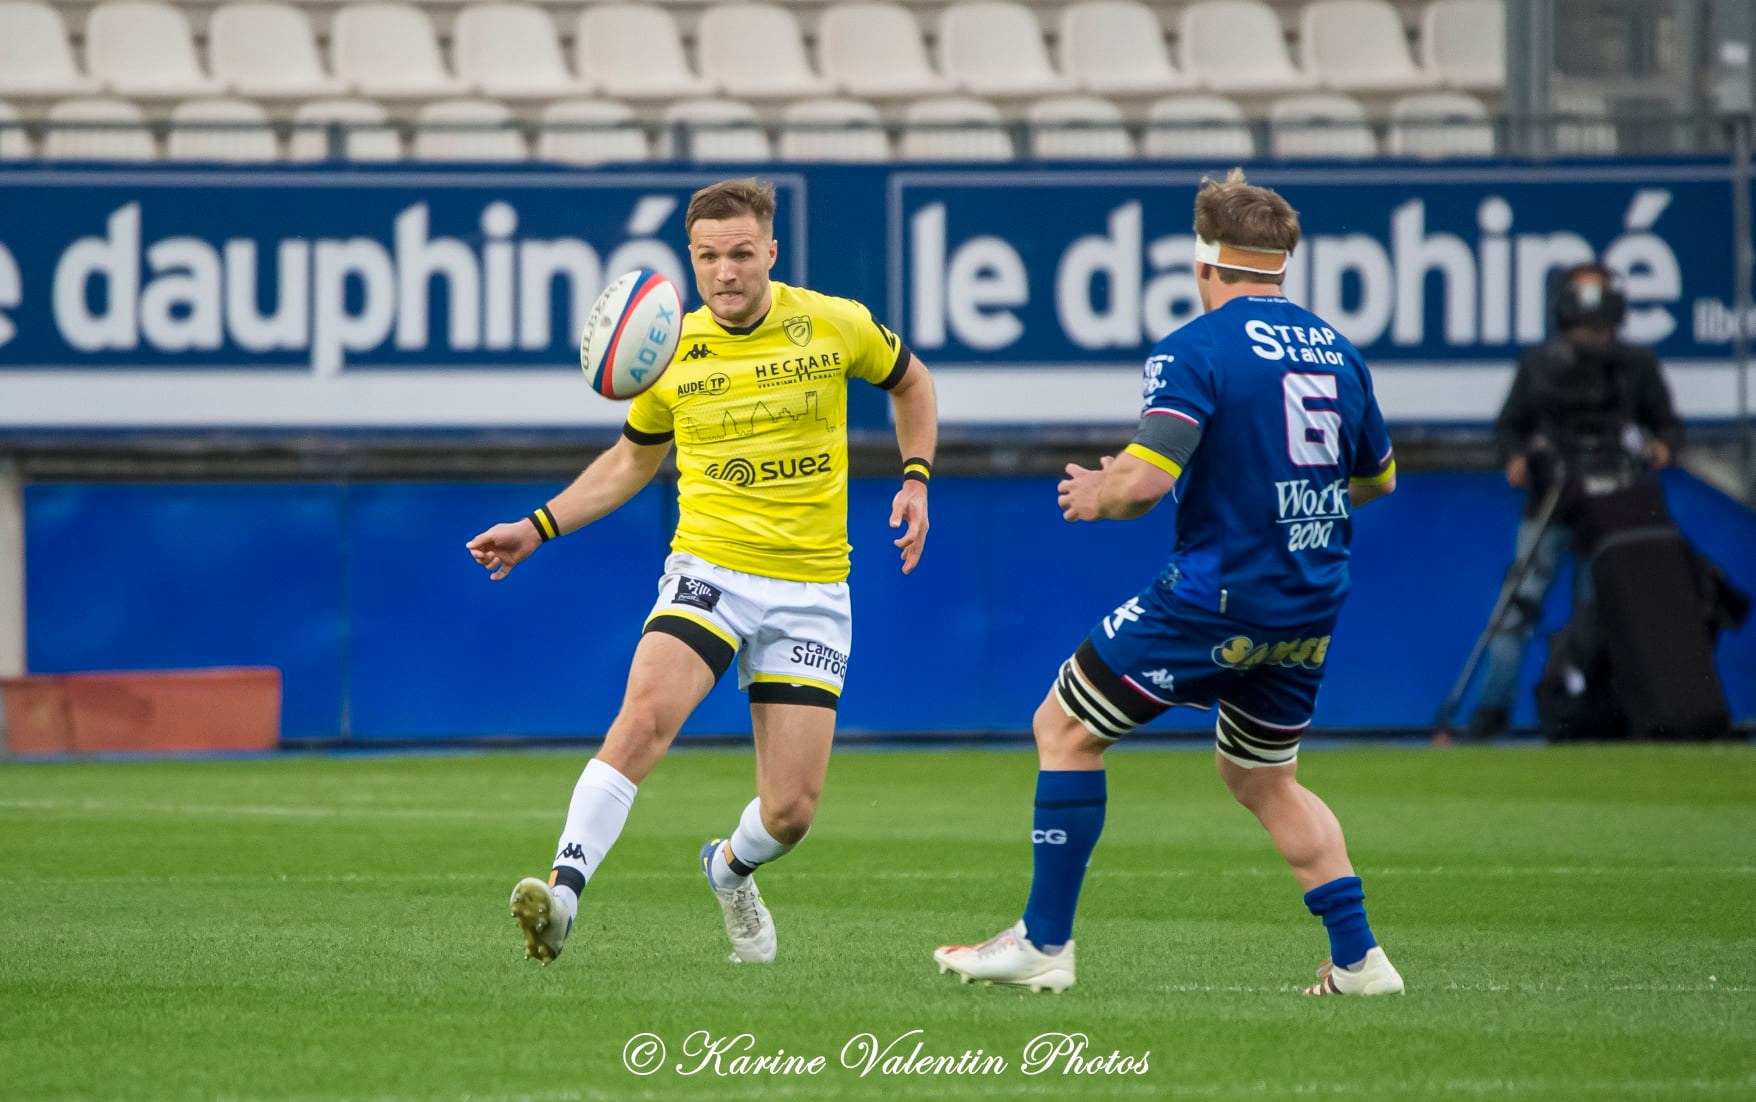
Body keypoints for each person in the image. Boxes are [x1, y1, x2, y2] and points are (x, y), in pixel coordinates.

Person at [933, 169, 1403, 997]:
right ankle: (1361, 959)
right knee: (1262, 775)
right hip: (1310, 597)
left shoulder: (1196, 349)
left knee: (1065, 726)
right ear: (1282, 263)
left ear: (1203, 263)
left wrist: (1097, 493)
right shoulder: (1339, 350)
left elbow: (1144, 482)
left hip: (1219, 593)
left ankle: (1044, 944)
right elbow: (1377, 479)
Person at [468, 178, 938, 966]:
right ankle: (564, 893)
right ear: (692, 259)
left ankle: (729, 867)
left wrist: (917, 475)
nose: (726, 272)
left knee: (790, 812)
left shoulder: (833, 324)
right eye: (709, 257)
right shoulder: (669, 350)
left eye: (742, 255)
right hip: (711, 569)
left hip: (814, 590)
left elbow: (912, 382)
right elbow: (628, 462)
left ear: (772, 253)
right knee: (644, 716)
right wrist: (537, 527)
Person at [1465, 262, 1683, 741]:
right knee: (1518, 606)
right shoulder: (1541, 363)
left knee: (1602, 612)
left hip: (1614, 510)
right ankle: (1490, 711)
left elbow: (1666, 424)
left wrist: (1660, 445)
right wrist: (1517, 457)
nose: (1591, 329)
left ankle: (1586, 710)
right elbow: (1509, 428)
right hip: (1551, 500)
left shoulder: (1635, 365)